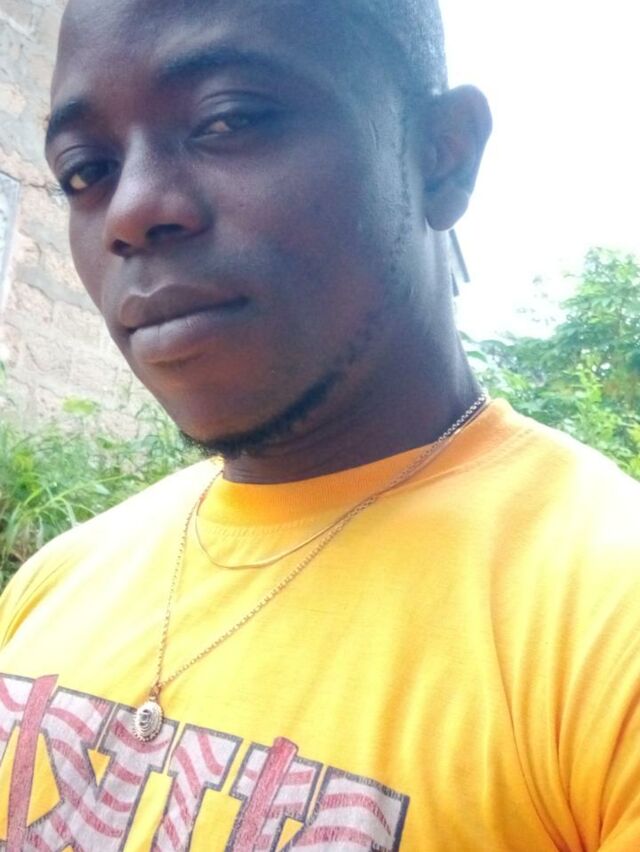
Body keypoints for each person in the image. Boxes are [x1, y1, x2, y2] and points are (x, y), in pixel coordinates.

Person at [0, 0, 638, 848]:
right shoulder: (56, 582)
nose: (132, 209)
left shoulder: (605, 627)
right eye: (86, 170)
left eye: (230, 120)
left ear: (441, 156)